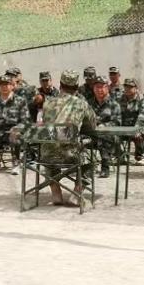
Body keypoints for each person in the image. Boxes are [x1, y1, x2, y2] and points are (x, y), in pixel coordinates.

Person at [37, 70, 98, 207]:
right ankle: (76, 194)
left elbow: (45, 124)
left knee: (51, 147)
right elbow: (92, 125)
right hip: (71, 155)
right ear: (76, 87)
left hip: (47, 157)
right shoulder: (81, 104)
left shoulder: (47, 103)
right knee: (94, 155)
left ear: (60, 85)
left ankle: (56, 192)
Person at [88, 75, 121, 178]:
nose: (99, 90)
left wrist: (104, 125)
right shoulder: (88, 104)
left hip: (110, 135)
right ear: (93, 89)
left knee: (104, 136)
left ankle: (105, 167)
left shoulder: (114, 104)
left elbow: (117, 122)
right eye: (97, 87)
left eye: (102, 87)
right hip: (92, 134)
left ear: (107, 88)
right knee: (81, 138)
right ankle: (87, 167)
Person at [117, 78, 144, 164]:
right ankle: (120, 156)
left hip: (139, 126)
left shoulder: (142, 99)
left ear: (136, 88)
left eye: (130, 87)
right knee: (112, 135)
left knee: (138, 134)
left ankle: (140, 156)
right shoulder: (120, 98)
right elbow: (116, 114)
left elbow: (142, 116)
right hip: (124, 127)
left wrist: (136, 128)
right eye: (126, 87)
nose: (127, 89)